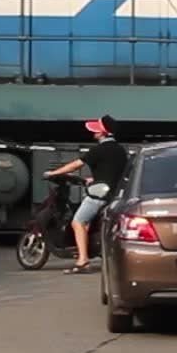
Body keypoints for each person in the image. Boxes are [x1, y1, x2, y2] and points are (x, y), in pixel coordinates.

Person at [44, 115, 127, 274]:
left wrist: (53, 173)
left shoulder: (99, 149)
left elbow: (76, 165)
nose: (93, 133)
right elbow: (112, 171)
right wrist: (94, 179)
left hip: (99, 195)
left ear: (103, 133)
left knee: (78, 222)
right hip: (114, 194)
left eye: (96, 130)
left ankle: (82, 260)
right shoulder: (120, 150)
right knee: (87, 222)